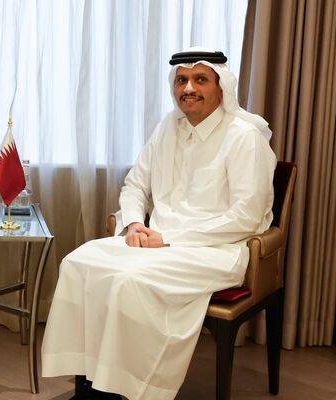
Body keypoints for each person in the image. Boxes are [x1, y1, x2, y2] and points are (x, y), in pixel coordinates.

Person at [41, 48, 276, 400]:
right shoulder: (168, 127)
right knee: (78, 263)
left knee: (127, 282)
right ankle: (88, 385)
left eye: (200, 79)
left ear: (221, 87)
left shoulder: (244, 137)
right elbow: (136, 184)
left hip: (215, 249)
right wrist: (134, 224)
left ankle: (126, 389)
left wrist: (168, 237)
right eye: (181, 80)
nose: (188, 88)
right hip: (154, 241)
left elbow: (247, 217)